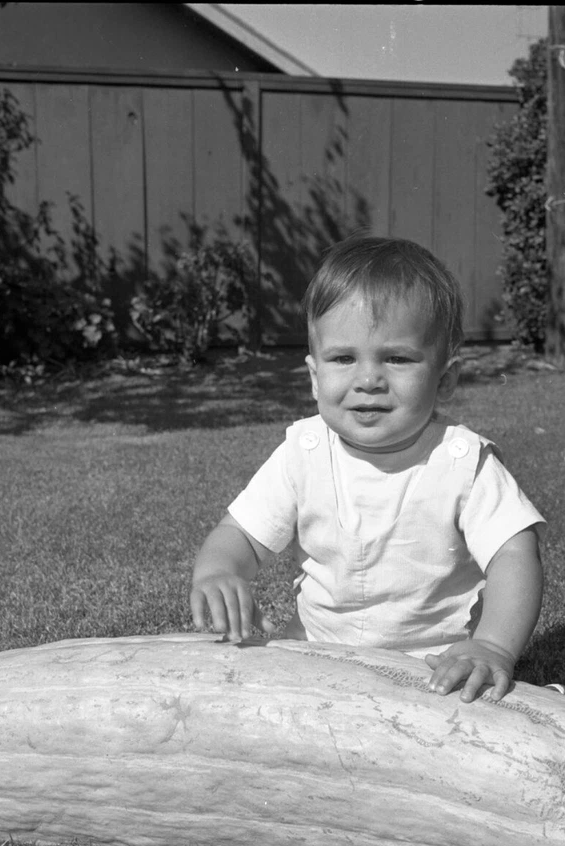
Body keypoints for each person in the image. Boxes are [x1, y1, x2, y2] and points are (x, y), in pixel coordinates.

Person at [190, 236, 546, 703]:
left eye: (397, 358)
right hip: (315, 657)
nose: (369, 379)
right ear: (315, 377)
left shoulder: (462, 462)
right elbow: (240, 533)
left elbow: (514, 555)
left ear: (445, 379)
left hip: (435, 670)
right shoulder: (305, 452)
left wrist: (492, 644)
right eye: (343, 358)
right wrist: (219, 571)